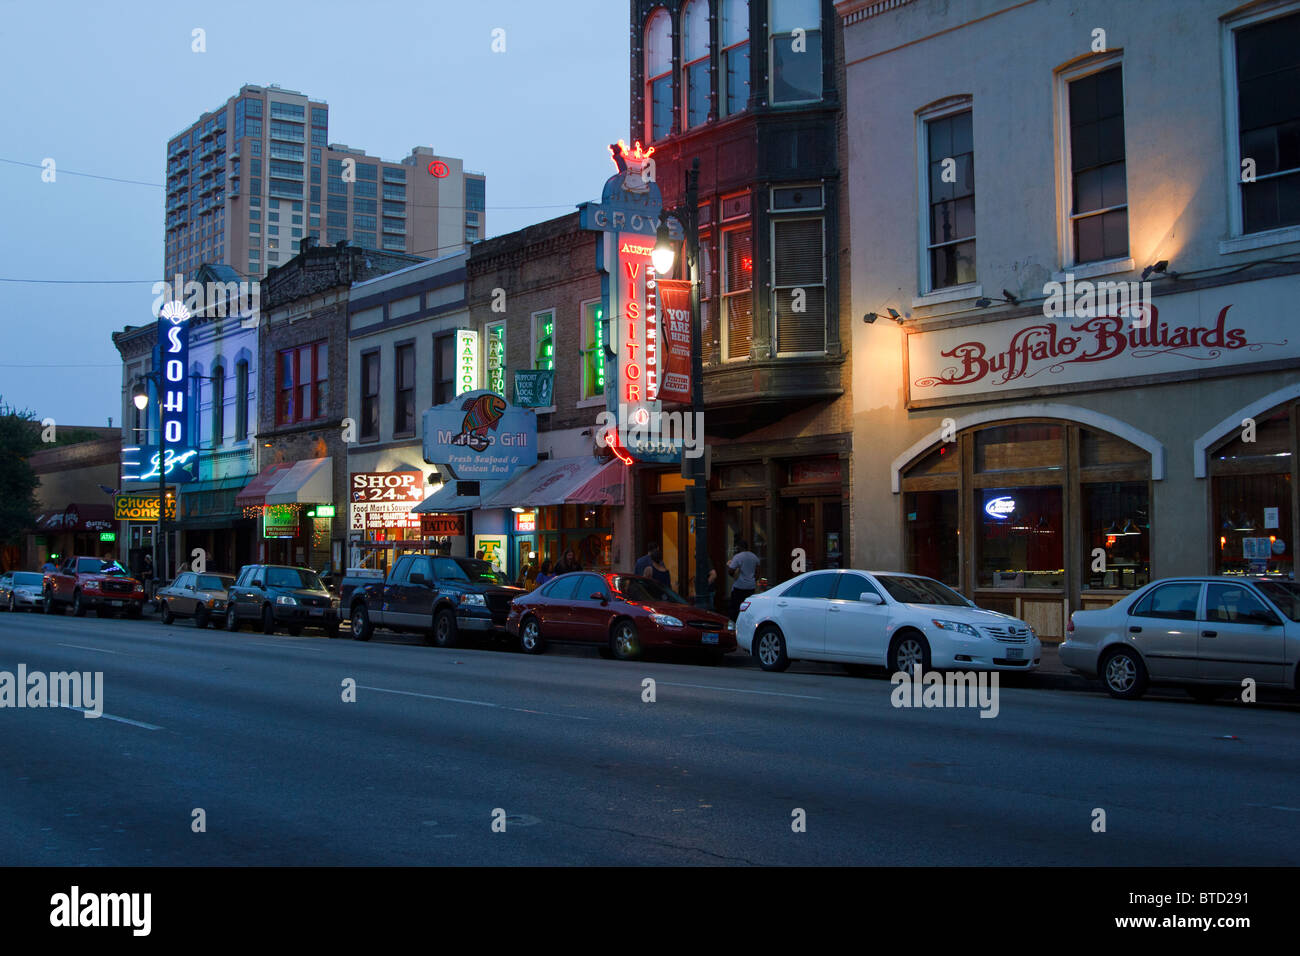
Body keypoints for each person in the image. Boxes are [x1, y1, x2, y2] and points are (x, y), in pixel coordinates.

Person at [727, 538, 760, 621]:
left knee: (735, 608)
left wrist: (734, 575)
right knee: (749, 607)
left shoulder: (738, 557)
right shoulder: (754, 556)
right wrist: (753, 580)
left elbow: (730, 570)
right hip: (751, 587)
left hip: (739, 586)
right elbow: (758, 572)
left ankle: (735, 624)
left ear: (739, 547)